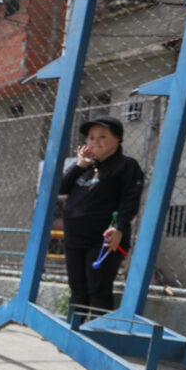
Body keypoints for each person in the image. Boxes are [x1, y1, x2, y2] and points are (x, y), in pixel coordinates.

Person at [59, 115, 144, 316]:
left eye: (102, 136)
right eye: (91, 137)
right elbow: (61, 188)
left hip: (104, 239)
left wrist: (119, 228)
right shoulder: (85, 167)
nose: (95, 141)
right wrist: (79, 164)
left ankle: (96, 338)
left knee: (97, 289)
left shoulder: (126, 165)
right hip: (75, 238)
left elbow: (130, 200)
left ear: (118, 140)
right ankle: (73, 336)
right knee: (78, 290)